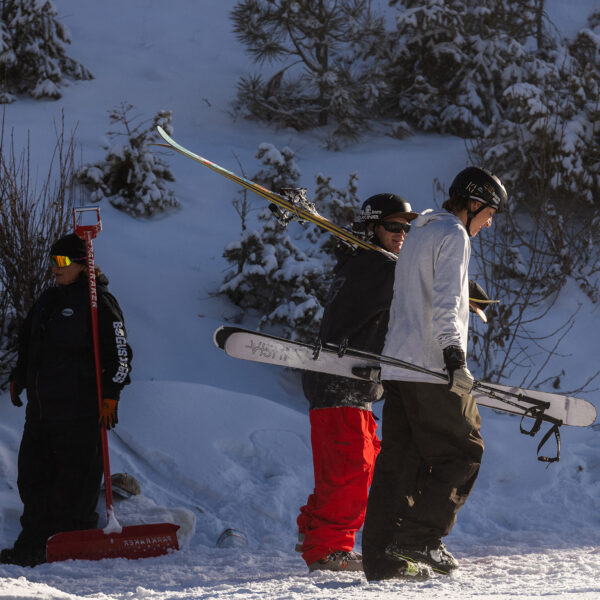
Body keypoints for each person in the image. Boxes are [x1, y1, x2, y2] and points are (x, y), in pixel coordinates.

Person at [362, 166, 507, 581]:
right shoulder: (454, 236)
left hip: (400, 365)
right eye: (490, 212)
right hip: (431, 368)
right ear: (474, 203)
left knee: (401, 463)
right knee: (464, 450)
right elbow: (445, 303)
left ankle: (384, 560)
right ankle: (421, 539)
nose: (490, 221)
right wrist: (454, 359)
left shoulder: (421, 232)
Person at [297, 193, 418, 572]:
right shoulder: (380, 268)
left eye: (406, 228)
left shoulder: (359, 263)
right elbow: (418, 291)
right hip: (342, 382)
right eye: (393, 226)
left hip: (351, 386)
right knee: (350, 472)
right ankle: (329, 548)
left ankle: (315, 532)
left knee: (352, 469)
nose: (402, 234)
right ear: (372, 228)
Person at [1, 233, 132, 567]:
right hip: (42, 413)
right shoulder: (48, 299)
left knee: (73, 485)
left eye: (62, 262)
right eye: (52, 261)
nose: (54, 268)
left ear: (82, 264)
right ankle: (32, 545)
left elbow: (120, 354)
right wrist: (19, 374)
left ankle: (72, 547)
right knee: (32, 479)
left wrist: (112, 394)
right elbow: (30, 342)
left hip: (80, 412)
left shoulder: (98, 302)